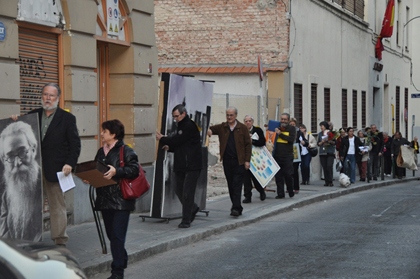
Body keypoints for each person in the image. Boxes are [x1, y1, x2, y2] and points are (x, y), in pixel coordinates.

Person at [13, 83, 81, 246]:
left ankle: (59, 240)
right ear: (41, 96)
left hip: (57, 169)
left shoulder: (67, 119)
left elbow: (75, 145)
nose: (48, 98)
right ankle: (30, 237)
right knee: (31, 204)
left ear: (57, 98)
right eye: (45, 94)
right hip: (33, 168)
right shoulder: (32, 115)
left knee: (57, 206)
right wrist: (15, 122)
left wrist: (69, 163)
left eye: (51, 95)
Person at [94, 119, 139, 279]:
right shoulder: (101, 151)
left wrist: (117, 171)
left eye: (104, 131)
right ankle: (122, 258)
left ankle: (117, 272)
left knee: (118, 237)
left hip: (121, 200)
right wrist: (90, 177)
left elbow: (134, 170)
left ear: (113, 134)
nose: (101, 134)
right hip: (105, 200)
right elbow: (97, 169)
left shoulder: (126, 151)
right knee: (112, 236)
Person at [156, 104, 202, 228]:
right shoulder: (181, 126)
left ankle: (186, 220)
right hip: (182, 164)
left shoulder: (188, 126)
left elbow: (177, 140)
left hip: (191, 165)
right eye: (174, 116)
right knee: (178, 189)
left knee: (187, 192)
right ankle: (192, 208)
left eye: (176, 116)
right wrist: (170, 148)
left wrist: (163, 139)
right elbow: (182, 145)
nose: (175, 119)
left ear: (183, 114)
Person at [0, 121, 42, 241]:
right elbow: (4, 234)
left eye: (22, 152)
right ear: (4, 160)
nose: (17, 162)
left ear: (33, 150)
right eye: (11, 157)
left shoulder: (45, 186)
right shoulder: (6, 196)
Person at [207, 107, 251, 217]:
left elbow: (248, 145)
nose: (229, 117)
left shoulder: (242, 128)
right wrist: (208, 131)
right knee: (231, 185)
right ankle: (237, 206)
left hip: (239, 161)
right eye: (227, 115)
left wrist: (247, 160)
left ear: (235, 115)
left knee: (237, 184)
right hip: (227, 161)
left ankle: (235, 208)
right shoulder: (223, 127)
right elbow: (210, 129)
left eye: (231, 115)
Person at [242, 115, 266, 203]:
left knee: (255, 178)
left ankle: (261, 190)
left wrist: (253, 141)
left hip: (256, 158)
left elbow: (263, 142)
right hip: (245, 157)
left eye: (249, 121)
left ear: (252, 122)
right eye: (246, 121)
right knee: (246, 179)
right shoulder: (241, 130)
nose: (248, 122)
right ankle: (247, 197)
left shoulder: (258, 130)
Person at [273, 113, 296, 198]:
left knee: (288, 174)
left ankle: (290, 190)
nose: (283, 121)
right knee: (278, 176)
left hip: (287, 156)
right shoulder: (277, 128)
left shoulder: (292, 129)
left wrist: (281, 134)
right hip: (277, 156)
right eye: (282, 119)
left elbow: (291, 139)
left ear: (288, 120)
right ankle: (280, 194)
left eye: (285, 119)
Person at [318, 121, 336, 186]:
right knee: (324, 167)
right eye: (320, 126)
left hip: (330, 152)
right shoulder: (320, 134)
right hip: (322, 152)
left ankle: (330, 181)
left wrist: (329, 141)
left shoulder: (330, 133)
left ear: (325, 126)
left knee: (329, 166)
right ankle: (326, 181)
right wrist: (322, 142)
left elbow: (334, 142)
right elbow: (318, 143)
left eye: (322, 126)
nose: (321, 127)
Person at [289, 118, 301, 193]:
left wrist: (303, 142)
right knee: (289, 171)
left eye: (293, 124)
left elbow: (304, 141)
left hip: (296, 152)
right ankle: (290, 187)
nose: (292, 126)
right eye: (291, 124)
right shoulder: (287, 131)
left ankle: (296, 187)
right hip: (289, 151)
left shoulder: (299, 132)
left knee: (295, 171)